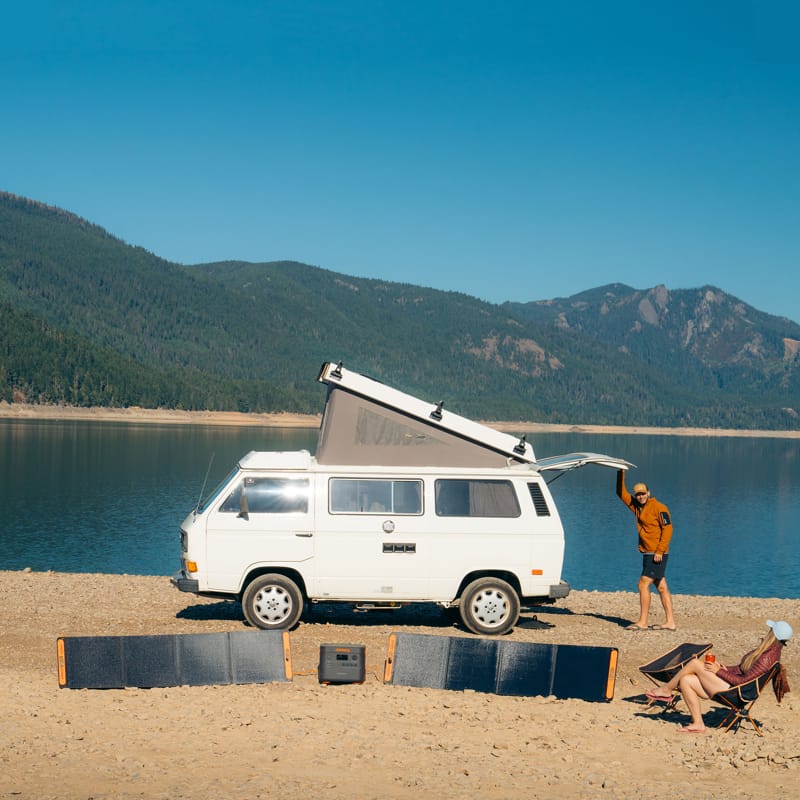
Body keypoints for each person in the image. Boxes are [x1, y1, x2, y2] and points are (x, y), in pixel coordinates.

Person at [645, 619, 793, 733]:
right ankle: (698, 724)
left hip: (736, 694)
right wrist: (724, 668)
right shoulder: (766, 651)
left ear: (773, 634)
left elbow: (743, 681)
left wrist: (718, 671)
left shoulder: (768, 657)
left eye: (771, 629)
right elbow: (742, 669)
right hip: (733, 688)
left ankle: (666, 690)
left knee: (696, 663)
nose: (768, 631)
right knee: (686, 680)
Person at [616, 470, 676, 631]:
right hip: (647, 552)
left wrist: (660, 551)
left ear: (648, 493)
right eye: (638, 495)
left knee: (643, 584)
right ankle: (670, 622)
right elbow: (621, 493)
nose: (641, 496)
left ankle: (642, 622)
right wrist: (620, 471)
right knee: (661, 587)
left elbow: (668, 530)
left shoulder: (659, 508)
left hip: (657, 554)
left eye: (643, 493)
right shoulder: (637, 507)